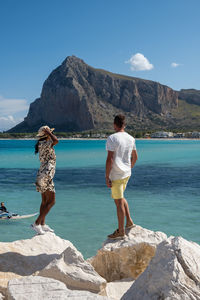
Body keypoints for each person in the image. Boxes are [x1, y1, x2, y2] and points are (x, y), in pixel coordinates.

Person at [105, 114, 138, 239]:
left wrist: (107, 177)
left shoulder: (112, 138)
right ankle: (129, 222)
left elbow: (110, 160)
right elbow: (135, 157)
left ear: (114, 125)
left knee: (118, 203)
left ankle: (121, 231)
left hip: (116, 175)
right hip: (126, 174)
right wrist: (129, 168)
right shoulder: (131, 138)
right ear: (124, 125)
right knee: (121, 198)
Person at [31, 125, 58, 235]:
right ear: (46, 134)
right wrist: (49, 133)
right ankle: (36, 223)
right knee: (51, 201)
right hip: (46, 174)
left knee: (45, 201)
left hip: (42, 174)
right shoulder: (46, 143)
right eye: (48, 132)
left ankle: (42, 224)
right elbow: (56, 140)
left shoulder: (41, 144)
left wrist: (47, 133)